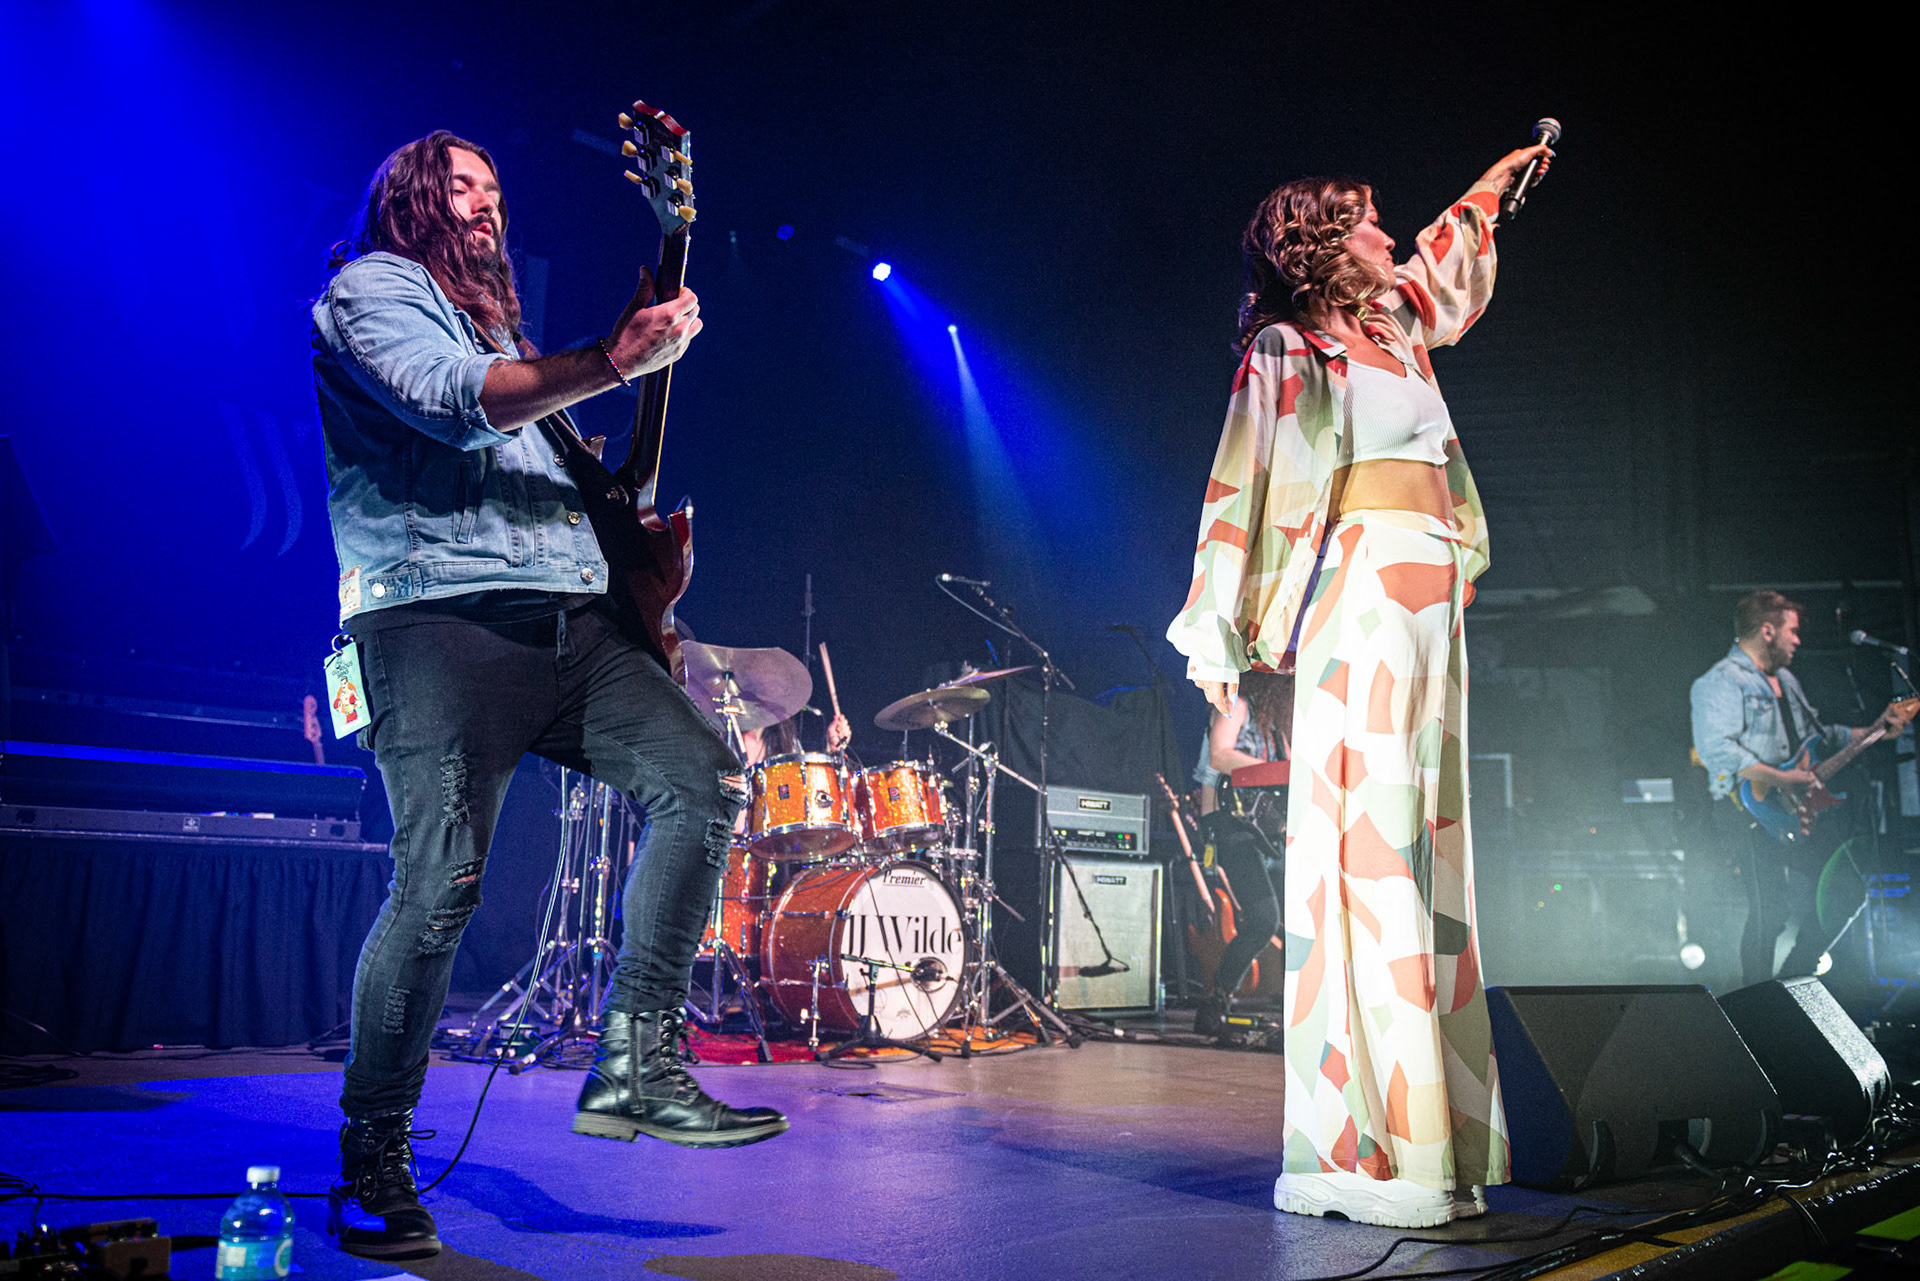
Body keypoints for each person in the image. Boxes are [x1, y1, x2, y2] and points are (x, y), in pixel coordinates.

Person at [312, 131, 786, 1263]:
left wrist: (646, 565)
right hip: (435, 622)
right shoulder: (370, 292)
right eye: (459, 187)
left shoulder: (515, 346)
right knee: (438, 889)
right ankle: (373, 1151)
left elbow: (580, 494)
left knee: (705, 781)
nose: (484, 204)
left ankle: (640, 1058)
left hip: (566, 625)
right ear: (409, 202)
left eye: (494, 190)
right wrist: (614, 359)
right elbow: (452, 404)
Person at [1166, 141, 1553, 1228]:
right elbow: (1237, 489)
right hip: (1362, 594)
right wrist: (1221, 655)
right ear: (1324, 246)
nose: (1389, 233)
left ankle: (1435, 1141)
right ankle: (1364, 1146)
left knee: (1426, 858)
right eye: (1369, 221)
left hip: (1432, 602)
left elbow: (1443, 267)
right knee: (1373, 858)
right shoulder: (1289, 351)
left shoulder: (1398, 336)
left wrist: (1491, 192)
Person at [1690, 590, 1913, 987]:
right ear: (1767, 631)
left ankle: (1793, 980)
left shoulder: (1787, 681)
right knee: (1770, 909)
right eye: (1792, 631)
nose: (1797, 640)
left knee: (1847, 890)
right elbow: (1716, 751)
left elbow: (1822, 736)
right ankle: (1756, 1002)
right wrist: (1782, 779)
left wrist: (1878, 728)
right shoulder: (1720, 682)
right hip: (1746, 810)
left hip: (1794, 809)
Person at [1191, 671, 1290, 1041]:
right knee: (1264, 917)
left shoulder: (1275, 727)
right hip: (1230, 825)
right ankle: (1215, 999)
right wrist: (1283, 771)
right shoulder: (1235, 705)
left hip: (1268, 833)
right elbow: (1220, 755)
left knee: (1296, 920)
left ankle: (1295, 1006)